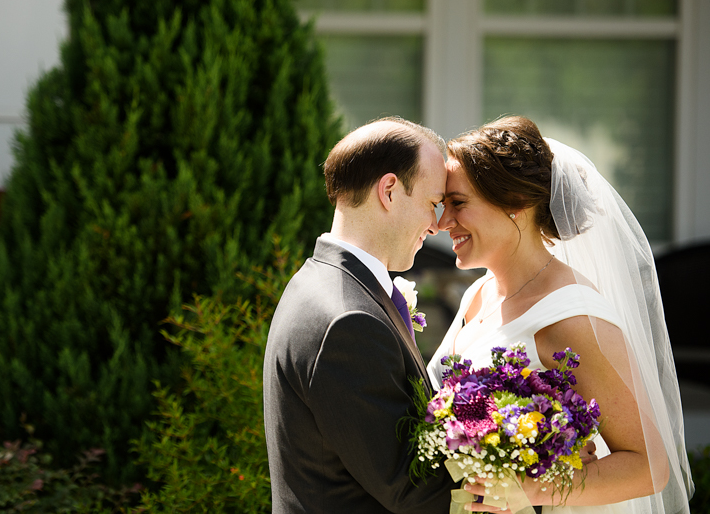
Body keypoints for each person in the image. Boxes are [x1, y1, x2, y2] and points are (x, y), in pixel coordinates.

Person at [428, 116, 693, 514]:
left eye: (458, 204)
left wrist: (530, 491)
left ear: (515, 204)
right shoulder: (478, 292)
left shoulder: (572, 317)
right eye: (441, 204)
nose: (442, 222)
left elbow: (649, 466)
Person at [263, 118, 459, 513]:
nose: (437, 224)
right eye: (432, 203)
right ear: (388, 190)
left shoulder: (318, 281)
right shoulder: (347, 321)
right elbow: (410, 488)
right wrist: (536, 494)